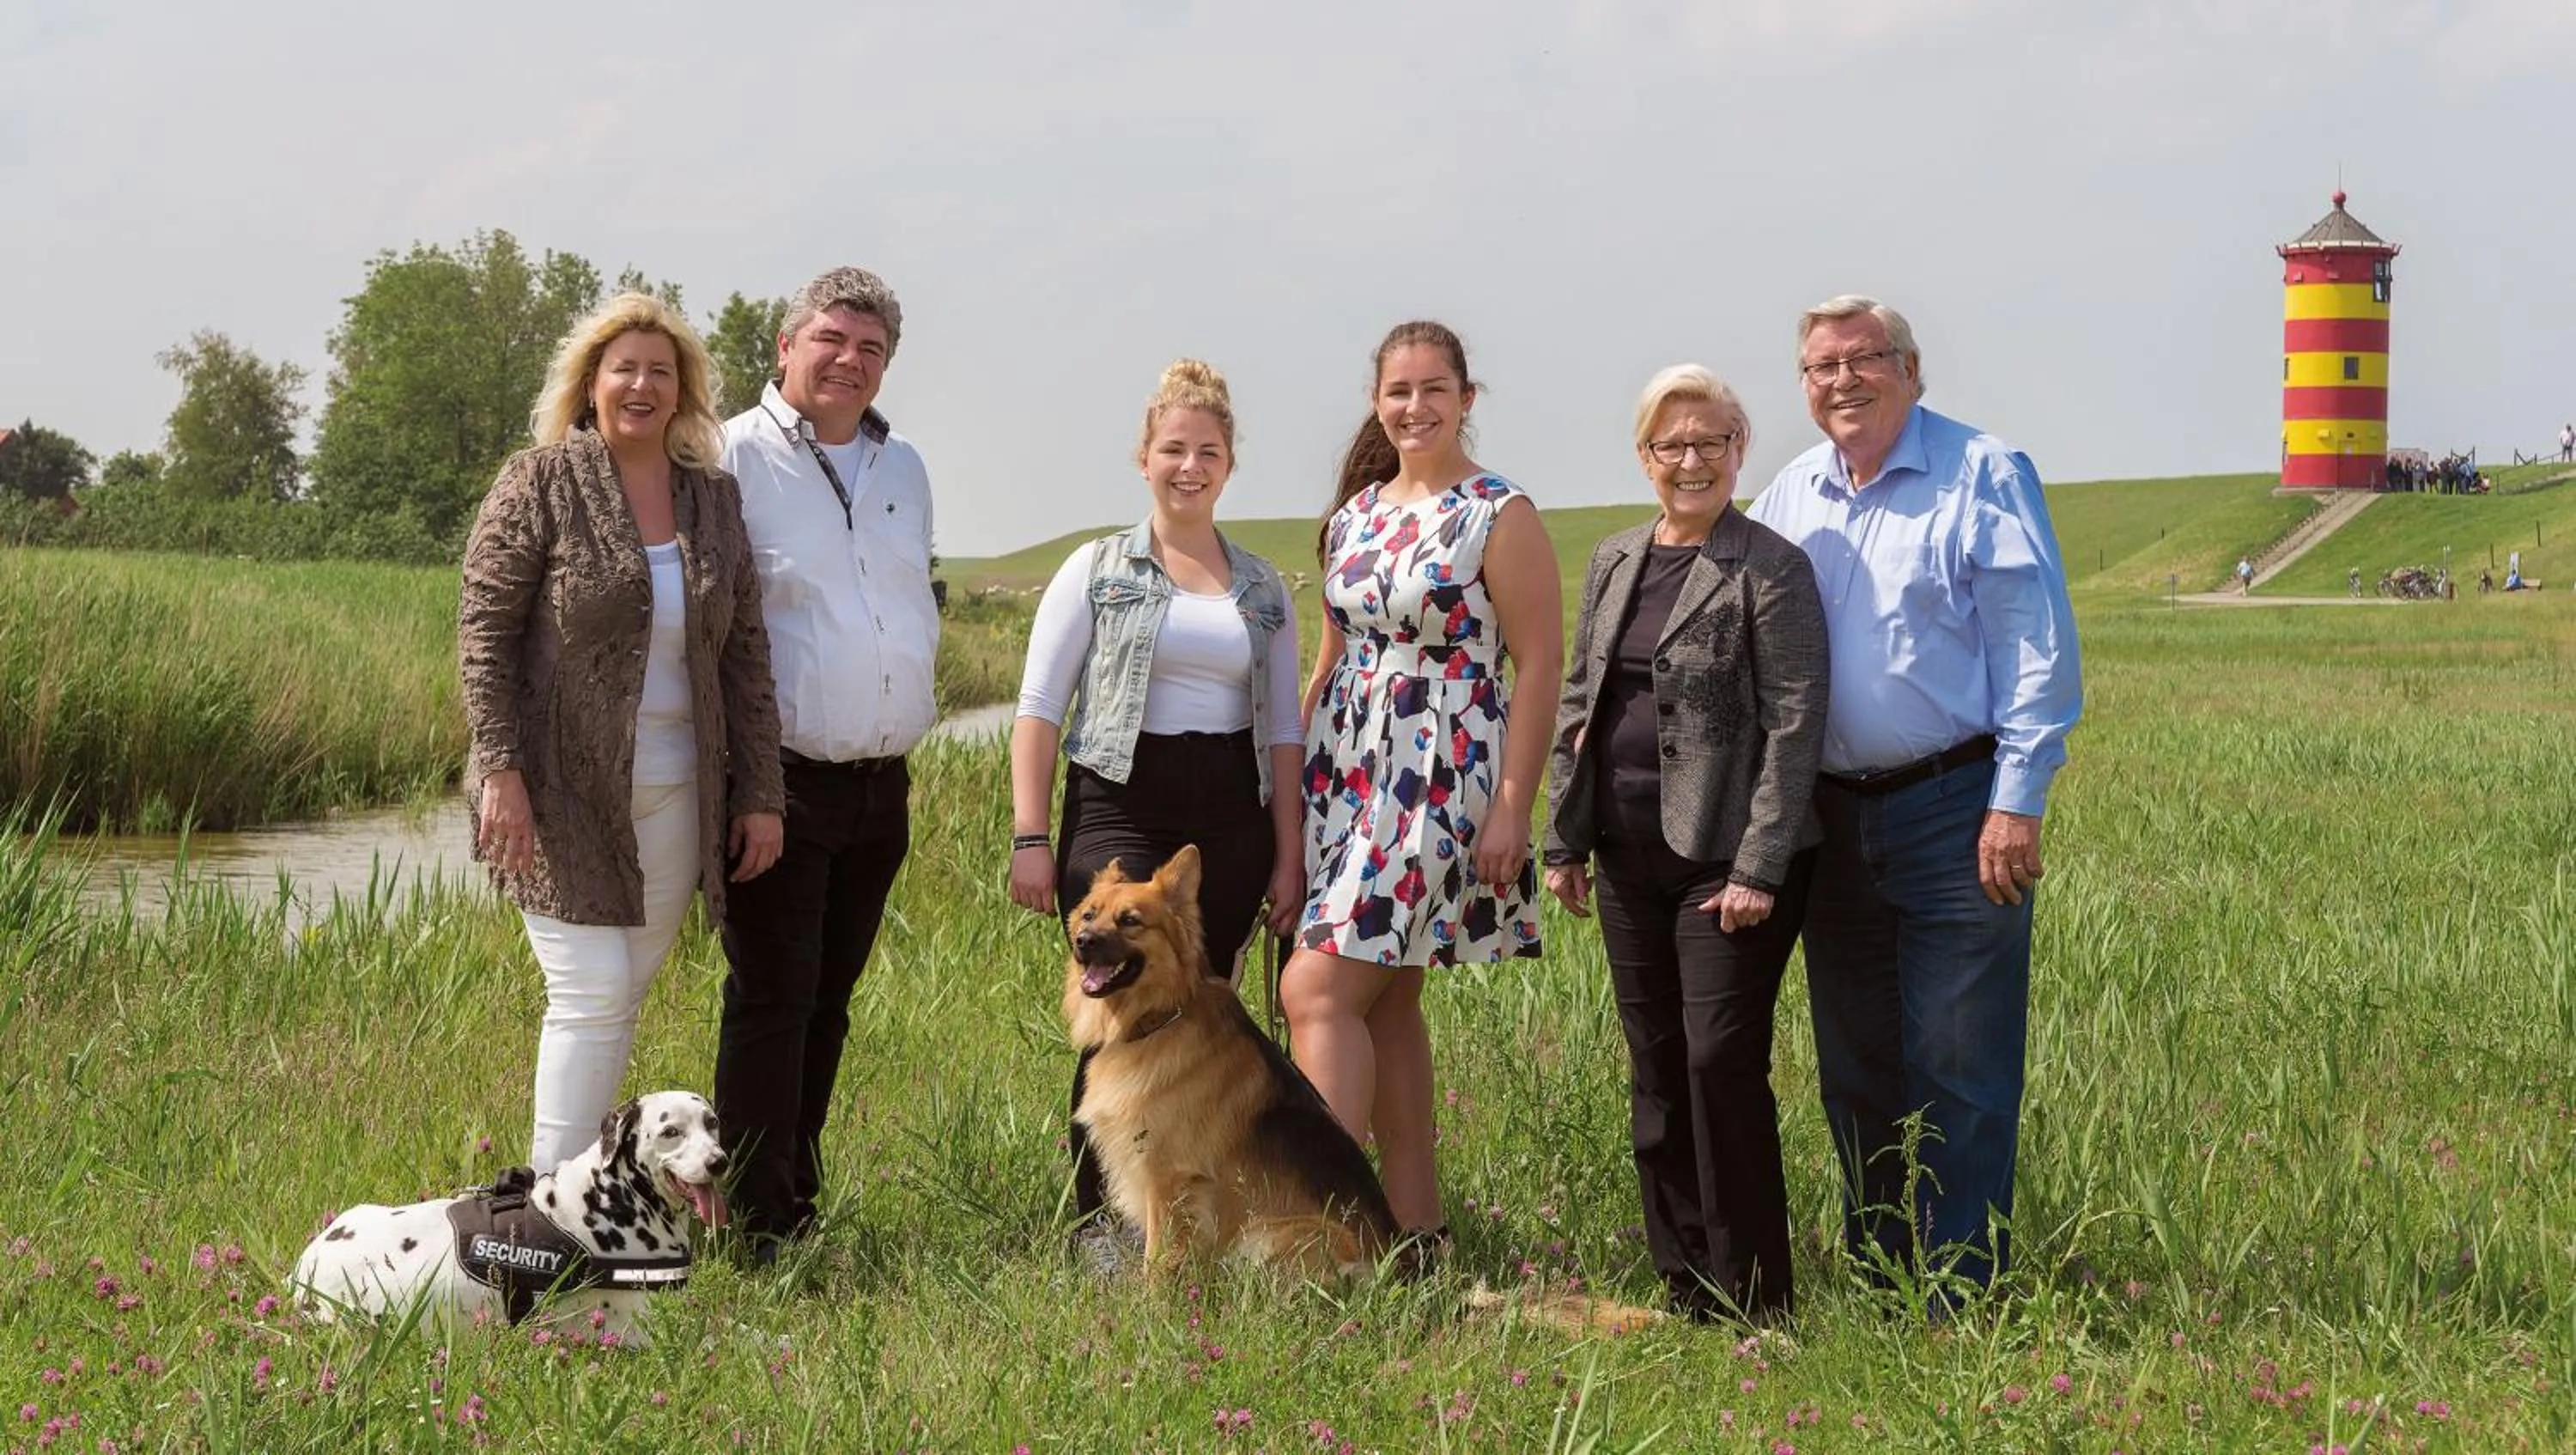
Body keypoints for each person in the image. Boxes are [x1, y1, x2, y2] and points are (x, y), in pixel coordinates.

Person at [1746, 295, 2081, 1296]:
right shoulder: (1790, 493)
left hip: (1956, 806)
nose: (1841, 380)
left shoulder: (1982, 472)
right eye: (1820, 366)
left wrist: (2017, 798)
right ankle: (1884, 1268)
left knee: (1959, 1060)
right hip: (1831, 817)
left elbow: (2036, 646)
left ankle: (1964, 1283)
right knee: (1855, 1065)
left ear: (1910, 367)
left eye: (1864, 358)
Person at [459, 291, 786, 1172]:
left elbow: (746, 654)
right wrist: (500, 770)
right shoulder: (539, 481)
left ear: (684, 391)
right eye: (623, 368)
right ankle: (544, 1213)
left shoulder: (711, 500)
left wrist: (760, 791)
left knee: (620, 998)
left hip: (682, 793)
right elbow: (483, 632)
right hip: (557, 794)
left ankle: (589, 1201)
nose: (642, 384)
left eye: (661, 370)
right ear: (589, 383)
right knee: (591, 992)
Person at [1540, 365, 1829, 1324]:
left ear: (1740, 451)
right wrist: (1563, 838)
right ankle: (1687, 1282)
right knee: (1656, 1063)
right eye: (1673, 445)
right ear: (1645, 458)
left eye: (1711, 442)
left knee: (1718, 1061)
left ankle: (1756, 1294)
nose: (1692, 460)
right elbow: (1582, 702)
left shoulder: (1769, 566)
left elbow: (1795, 724)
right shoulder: (1618, 556)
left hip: (1724, 863)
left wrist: (1759, 865)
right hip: (1625, 857)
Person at [1005, 358, 1306, 1253]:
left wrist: (1288, 853)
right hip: (1117, 803)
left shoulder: (1261, 587)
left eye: (1208, 450)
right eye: (1173, 448)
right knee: (1112, 1008)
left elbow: (1285, 728)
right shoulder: (1095, 568)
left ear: (1229, 463)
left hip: (1228, 815)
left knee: (1200, 1017)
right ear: (1145, 457)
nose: (1190, 465)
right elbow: (1037, 707)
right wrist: (1030, 834)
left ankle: (1193, 1215)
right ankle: (1098, 1222)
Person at [1286, 320, 1562, 1251]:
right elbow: (1328, 662)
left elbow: (1540, 664)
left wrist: (1516, 800)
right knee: (1388, 998)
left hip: (1440, 777)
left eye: (1434, 388)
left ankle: (1325, 1235)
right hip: (1347, 771)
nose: (1416, 406)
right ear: (1377, 399)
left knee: (1316, 988)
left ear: (1466, 398)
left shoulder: (1498, 511)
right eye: (1399, 390)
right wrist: (1289, 785)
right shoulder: (1354, 515)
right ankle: (1417, 1237)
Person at [714, 267, 940, 1258]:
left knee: (831, 1000)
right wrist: (749, 786)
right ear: (785, 346)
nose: (850, 361)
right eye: (831, 340)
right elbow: (717, 635)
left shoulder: (905, 470)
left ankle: (793, 1192)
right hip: (779, 782)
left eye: (871, 348)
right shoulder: (729, 459)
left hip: (880, 785)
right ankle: (753, 1225)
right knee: (773, 1001)